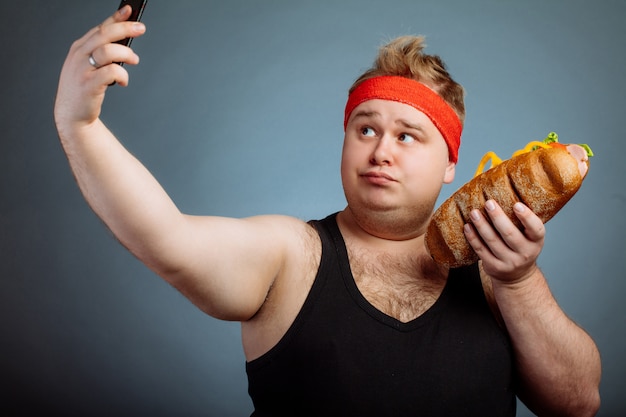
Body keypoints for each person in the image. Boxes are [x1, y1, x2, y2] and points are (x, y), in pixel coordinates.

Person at [54, 6, 601, 417]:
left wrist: (519, 279)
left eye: (408, 136)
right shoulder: (290, 256)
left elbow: (578, 402)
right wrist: (81, 128)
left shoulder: (498, 270)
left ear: (451, 165)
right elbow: (167, 239)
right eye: (365, 128)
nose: (381, 150)